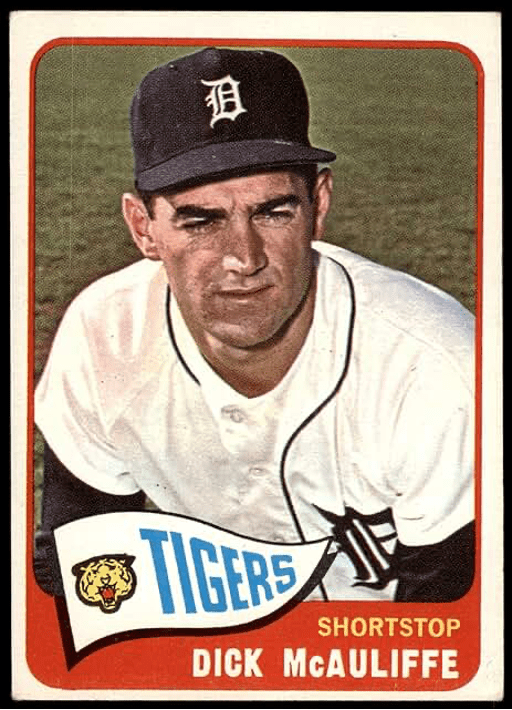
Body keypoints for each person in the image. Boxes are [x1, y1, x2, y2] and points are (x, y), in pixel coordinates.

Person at [34, 47, 475, 602]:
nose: (243, 258)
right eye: (201, 221)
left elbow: (451, 627)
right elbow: (77, 575)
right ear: (143, 228)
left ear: (319, 204)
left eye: (273, 212)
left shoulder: (433, 367)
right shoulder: (106, 335)